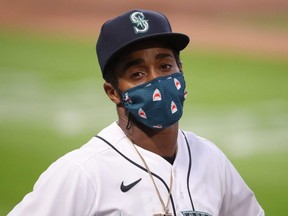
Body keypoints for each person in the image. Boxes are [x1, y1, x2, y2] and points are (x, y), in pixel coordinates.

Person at [8, 9, 264, 216]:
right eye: (138, 74)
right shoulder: (83, 173)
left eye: (165, 65)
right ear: (113, 92)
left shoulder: (210, 159)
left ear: (181, 70)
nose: (157, 81)